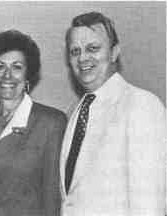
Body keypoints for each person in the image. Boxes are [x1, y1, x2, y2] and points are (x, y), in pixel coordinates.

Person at [60, 12, 166, 215]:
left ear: (115, 52)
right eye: (75, 51)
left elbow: (149, 204)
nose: (83, 58)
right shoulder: (72, 113)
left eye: (93, 48)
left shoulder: (142, 105)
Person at [0, 30, 67, 216]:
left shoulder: (51, 123)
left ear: (28, 75)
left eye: (17, 67)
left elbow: (52, 199)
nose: (7, 76)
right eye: (0, 66)